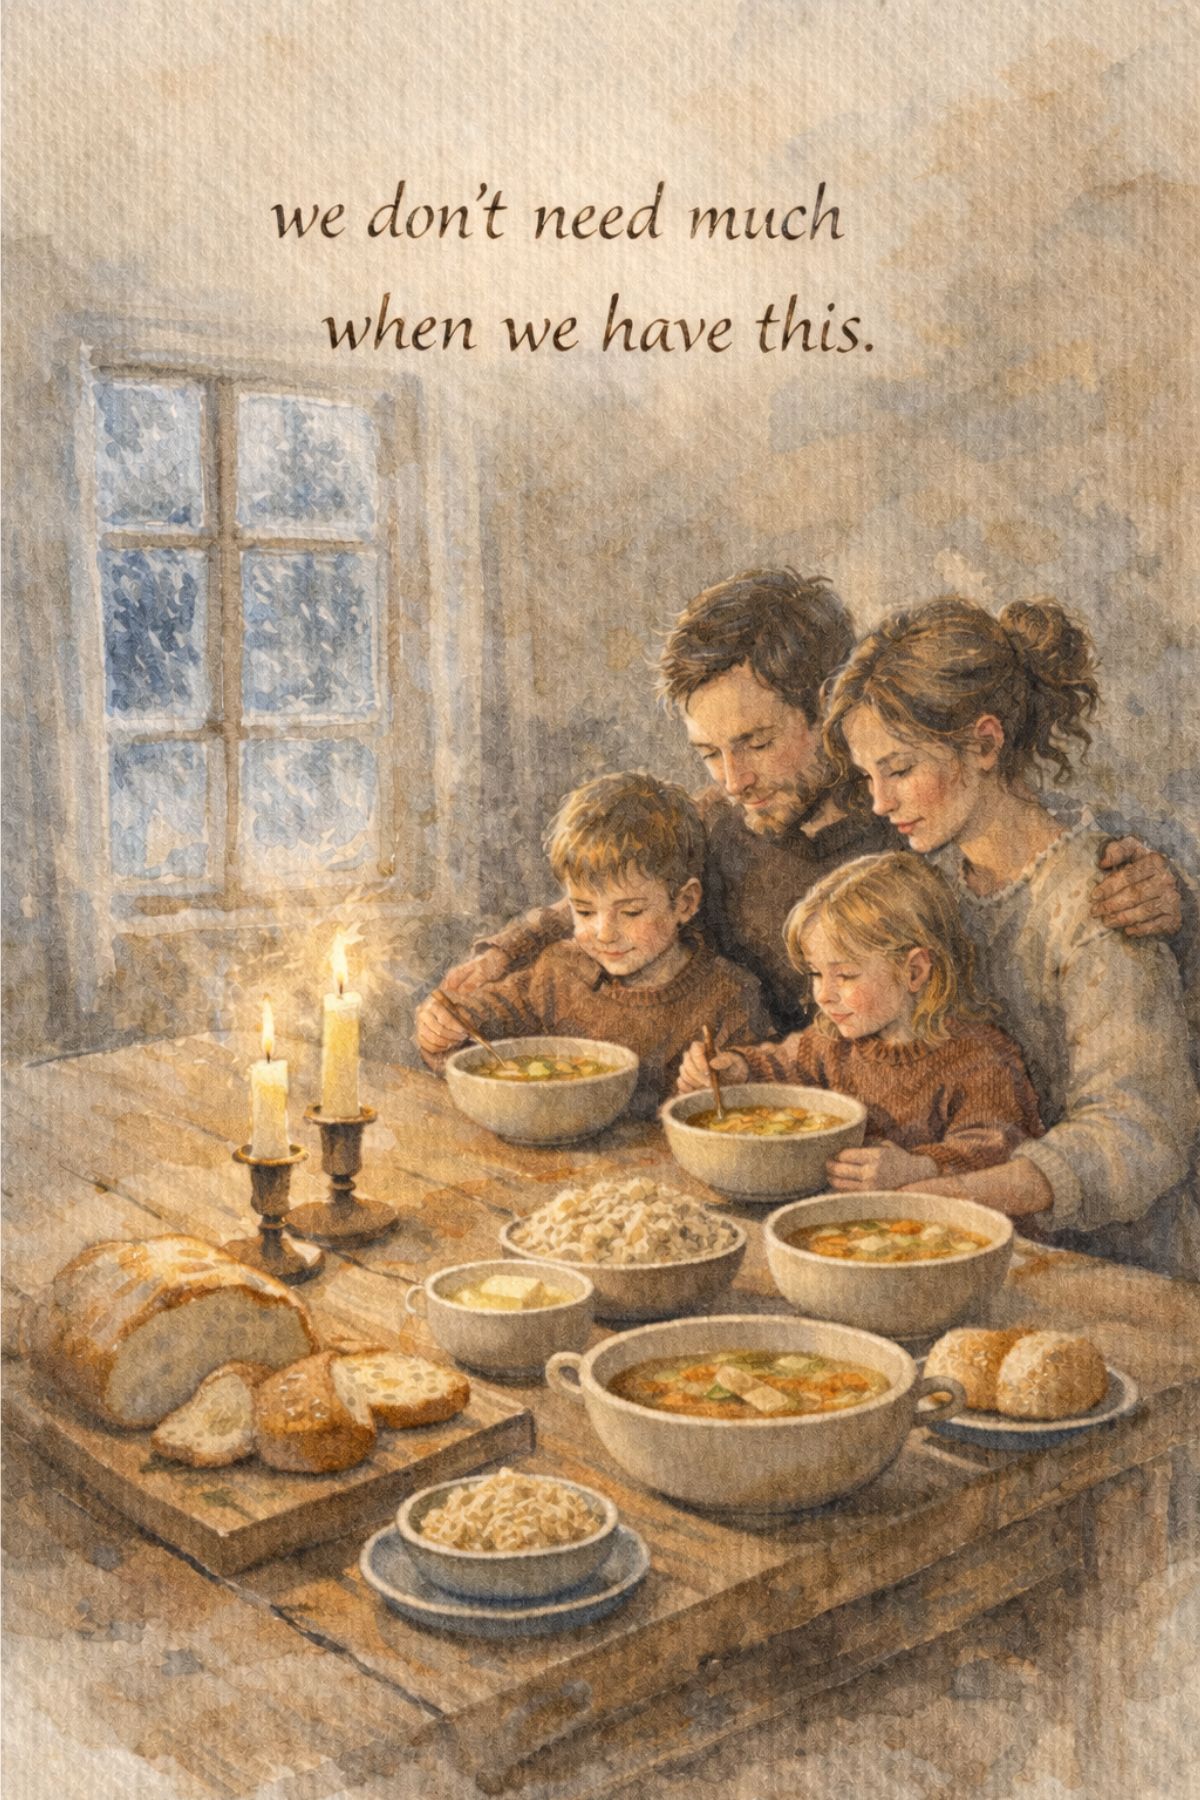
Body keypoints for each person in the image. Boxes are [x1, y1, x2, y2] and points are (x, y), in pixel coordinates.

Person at [419, 569, 1183, 1049]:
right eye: (708, 753)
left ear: (829, 709)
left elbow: (1045, 891)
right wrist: (501, 955)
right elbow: (609, 898)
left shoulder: (924, 825)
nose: (733, 779)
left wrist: (1167, 896)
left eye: (755, 743)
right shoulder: (715, 822)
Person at [822, 596, 1199, 1277]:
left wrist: (945, 1197)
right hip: (965, 1235)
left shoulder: (1103, 897)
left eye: (899, 770)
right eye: (868, 777)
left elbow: (1138, 1133)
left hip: (1114, 1263)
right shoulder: (928, 885)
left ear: (985, 744)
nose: (879, 802)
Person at [678, 850, 1043, 1190]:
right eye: (816, 974)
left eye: (846, 976)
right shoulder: (834, 1044)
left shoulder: (980, 1060)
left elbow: (996, 1152)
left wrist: (919, 1168)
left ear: (914, 971)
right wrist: (736, 1069)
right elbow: (780, 1064)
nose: (823, 994)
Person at [413, 771, 771, 1116]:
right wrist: (446, 1026)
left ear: (685, 903)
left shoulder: (729, 995)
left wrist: (714, 1085)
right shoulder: (559, 970)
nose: (604, 933)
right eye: (584, 911)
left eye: (630, 912)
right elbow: (482, 1019)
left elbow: (751, 1100)